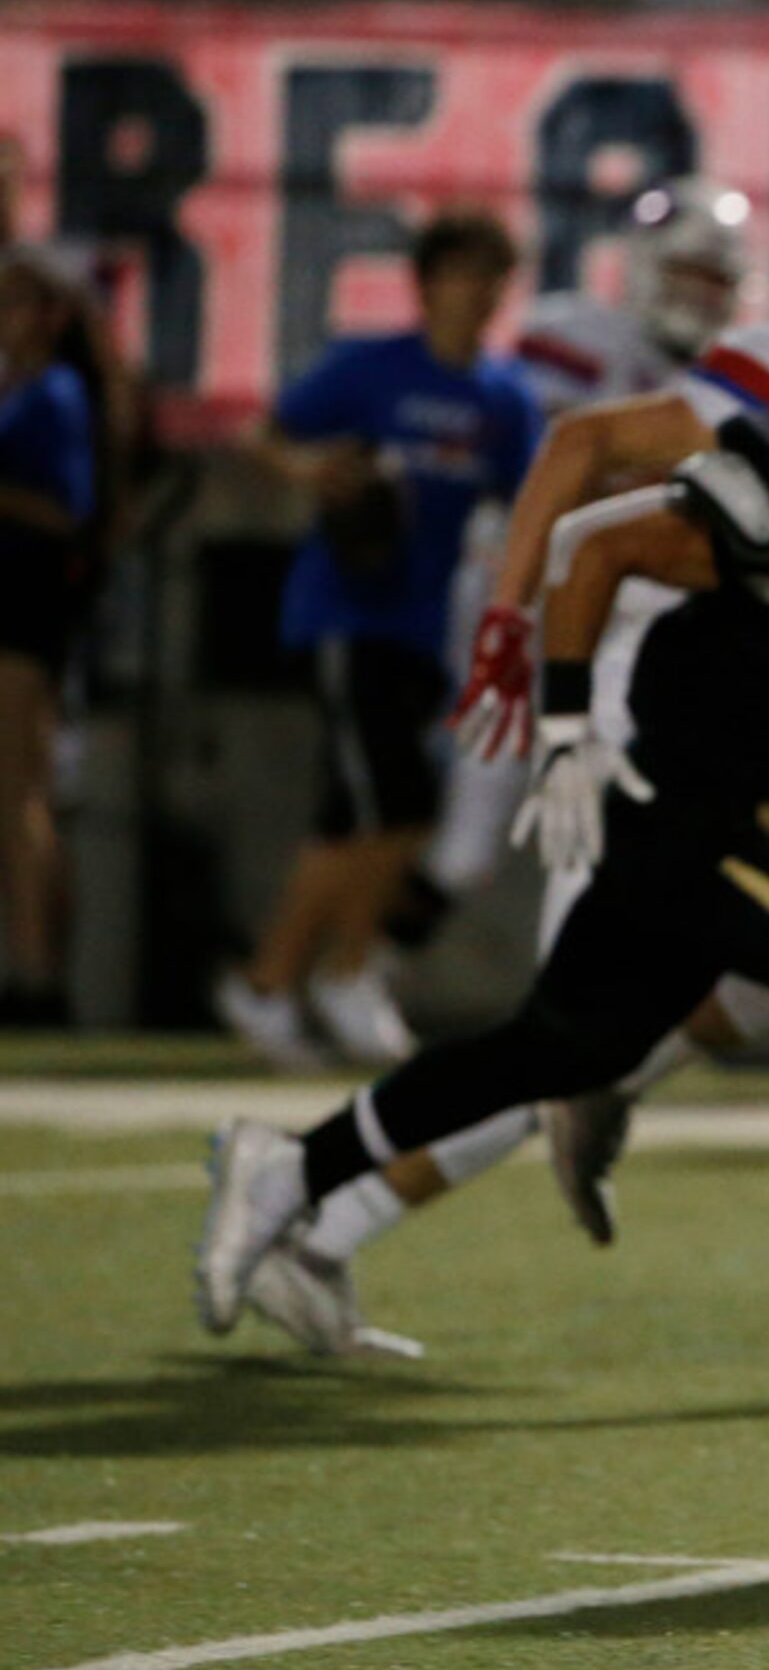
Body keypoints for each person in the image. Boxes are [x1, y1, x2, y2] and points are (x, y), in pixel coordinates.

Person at [196, 285, 769, 1378]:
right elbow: (597, 546)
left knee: (561, 1050)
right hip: (688, 808)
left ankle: (287, 1168)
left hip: (743, 807)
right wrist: (564, 730)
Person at [382, 176, 758, 964]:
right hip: (517, 594)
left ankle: (611, 984)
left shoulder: (732, 376)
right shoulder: (575, 334)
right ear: (644, 264)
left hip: (627, 616)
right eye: (685, 271)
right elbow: (553, 471)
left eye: (714, 279)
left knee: (619, 798)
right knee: (472, 829)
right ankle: (365, 963)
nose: (697, 293)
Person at [218, 211, 541, 1068]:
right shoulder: (372, 371)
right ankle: (283, 979)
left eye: (492, 280)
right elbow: (263, 431)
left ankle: (318, 977)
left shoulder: (502, 399)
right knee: (388, 804)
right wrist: (312, 473)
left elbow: (533, 504)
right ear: (426, 282)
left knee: (378, 812)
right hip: (345, 613)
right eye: (465, 274)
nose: (479, 296)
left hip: (422, 626)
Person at [0, 246, 109, 1028]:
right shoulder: (23, 389)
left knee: (20, 793)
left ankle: (38, 972)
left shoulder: (57, 394)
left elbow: (68, 511)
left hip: (24, 607)